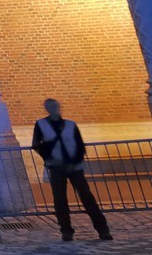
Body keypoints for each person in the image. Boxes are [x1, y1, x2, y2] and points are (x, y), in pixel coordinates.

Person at [31, 98, 111, 242]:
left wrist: (76, 160)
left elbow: (80, 145)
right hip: (56, 166)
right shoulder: (41, 125)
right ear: (46, 108)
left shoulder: (70, 125)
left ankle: (102, 228)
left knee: (87, 197)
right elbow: (36, 145)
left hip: (74, 166)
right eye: (49, 106)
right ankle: (66, 230)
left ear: (58, 107)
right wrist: (49, 158)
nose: (52, 108)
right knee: (60, 200)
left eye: (54, 105)